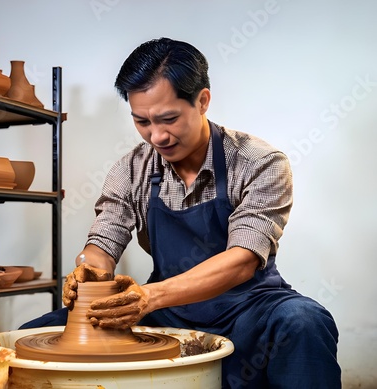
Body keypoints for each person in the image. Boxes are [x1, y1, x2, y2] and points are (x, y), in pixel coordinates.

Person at [20, 37, 341, 388]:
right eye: (141, 121)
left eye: (168, 118)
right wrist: (89, 271)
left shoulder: (259, 162)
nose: (156, 136)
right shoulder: (130, 170)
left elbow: (243, 259)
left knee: (304, 321)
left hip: (247, 307)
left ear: (202, 100)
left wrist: (150, 296)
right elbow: (103, 240)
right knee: (32, 334)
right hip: (165, 312)